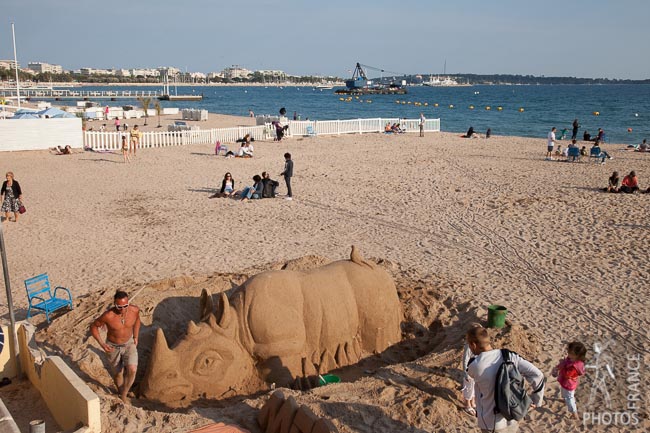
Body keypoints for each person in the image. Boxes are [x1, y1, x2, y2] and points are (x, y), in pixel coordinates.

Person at [466, 326, 545, 433]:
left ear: (473, 345)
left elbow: (469, 374)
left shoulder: (475, 365)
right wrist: (536, 400)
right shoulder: (509, 356)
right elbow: (538, 374)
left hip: (491, 422)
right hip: (514, 415)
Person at [90, 290, 141, 403]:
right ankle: (121, 391)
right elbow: (93, 327)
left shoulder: (134, 310)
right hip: (113, 346)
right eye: (119, 306)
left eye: (125, 305)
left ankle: (123, 395)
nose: (122, 309)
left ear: (128, 302)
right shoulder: (108, 316)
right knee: (118, 373)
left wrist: (136, 336)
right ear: (114, 304)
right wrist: (102, 344)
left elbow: (137, 321)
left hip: (128, 344)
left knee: (132, 369)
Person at [551, 342, 587, 420]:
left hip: (569, 384)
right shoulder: (571, 358)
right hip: (565, 383)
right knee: (563, 392)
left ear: (577, 355)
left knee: (570, 398)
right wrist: (560, 365)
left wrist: (561, 366)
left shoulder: (575, 366)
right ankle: (564, 400)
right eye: (569, 351)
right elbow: (566, 362)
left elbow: (567, 375)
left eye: (570, 353)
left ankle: (574, 414)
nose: (568, 354)